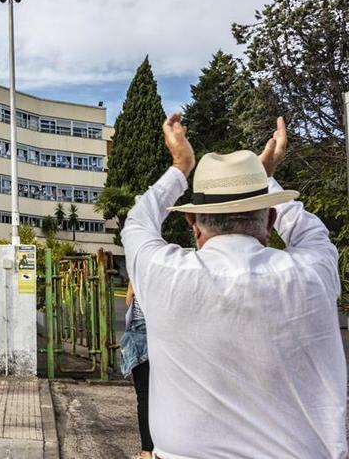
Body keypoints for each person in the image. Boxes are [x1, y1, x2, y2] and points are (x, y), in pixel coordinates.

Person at [122, 113, 347, 457]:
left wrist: (181, 166)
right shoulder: (313, 271)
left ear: (193, 224)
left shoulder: (163, 273)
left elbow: (138, 220)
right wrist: (265, 179)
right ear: (270, 219)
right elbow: (309, 230)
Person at [119, 283, 151, 459]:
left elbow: (128, 298)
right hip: (165, 336)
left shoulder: (139, 267)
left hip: (140, 335)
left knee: (145, 395)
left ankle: (147, 451)